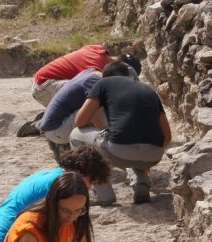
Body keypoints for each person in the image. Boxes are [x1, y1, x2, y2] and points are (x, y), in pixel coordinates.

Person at [70, 61, 172, 205]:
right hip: (154, 155)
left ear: (105, 76)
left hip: (119, 151)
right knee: (132, 137)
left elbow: (80, 121)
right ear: (127, 75)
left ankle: (104, 195)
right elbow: (167, 136)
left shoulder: (103, 84)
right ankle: (141, 182)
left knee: (75, 135)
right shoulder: (149, 90)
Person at [32, 45, 142, 107]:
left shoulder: (97, 49)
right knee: (91, 98)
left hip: (44, 81)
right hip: (43, 87)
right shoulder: (97, 69)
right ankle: (42, 124)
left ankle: (53, 112)